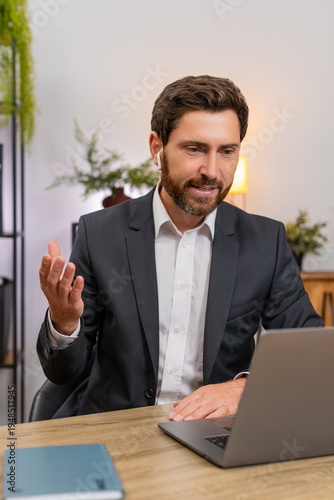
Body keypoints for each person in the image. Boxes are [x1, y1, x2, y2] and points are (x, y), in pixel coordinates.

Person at [38, 75, 322, 421]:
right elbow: (65, 373)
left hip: (215, 434)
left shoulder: (266, 242)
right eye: (195, 149)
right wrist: (65, 324)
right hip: (116, 431)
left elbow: (313, 355)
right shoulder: (100, 233)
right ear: (157, 148)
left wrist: (246, 386)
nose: (212, 171)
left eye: (227, 151)